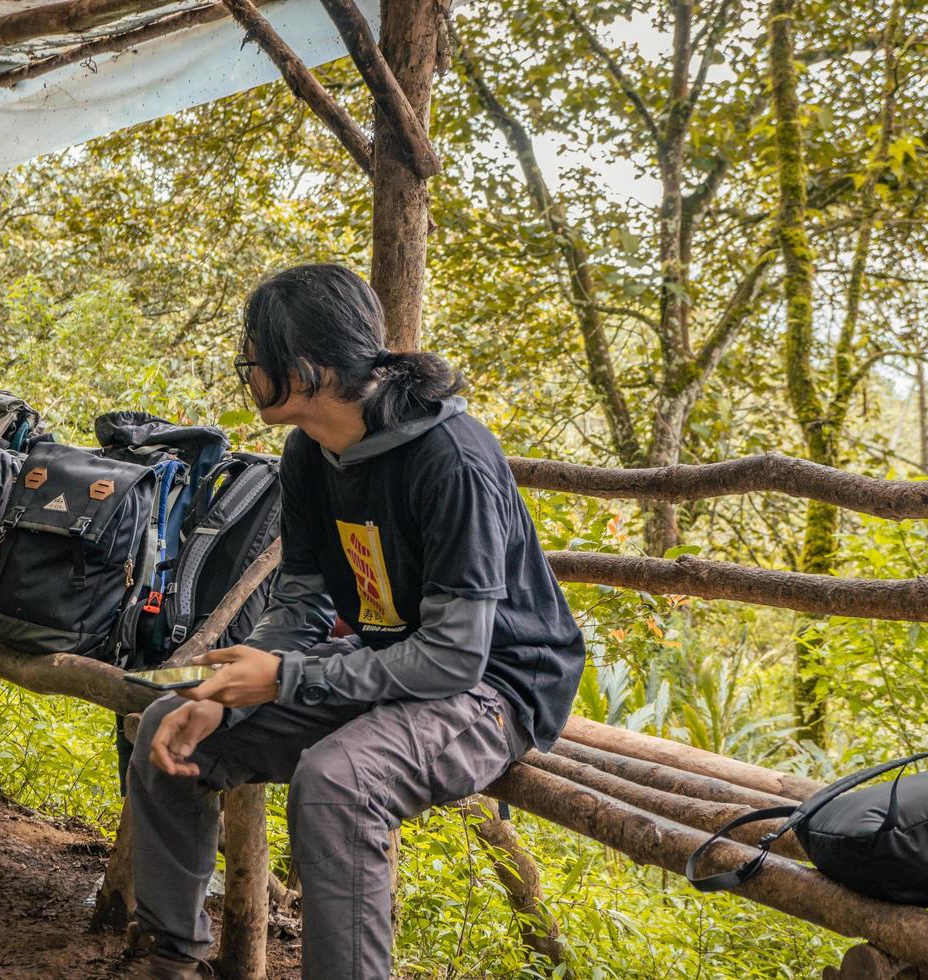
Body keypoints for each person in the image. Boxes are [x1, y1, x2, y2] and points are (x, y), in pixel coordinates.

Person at [126, 263, 585, 979]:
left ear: (304, 369)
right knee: (169, 721)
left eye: (255, 357)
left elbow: (455, 661)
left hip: (495, 688)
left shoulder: (451, 460)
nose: (247, 371)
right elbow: (303, 601)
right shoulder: (310, 450)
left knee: (340, 783)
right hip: (390, 661)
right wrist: (229, 685)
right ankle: (166, 959)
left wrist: (285, 679)